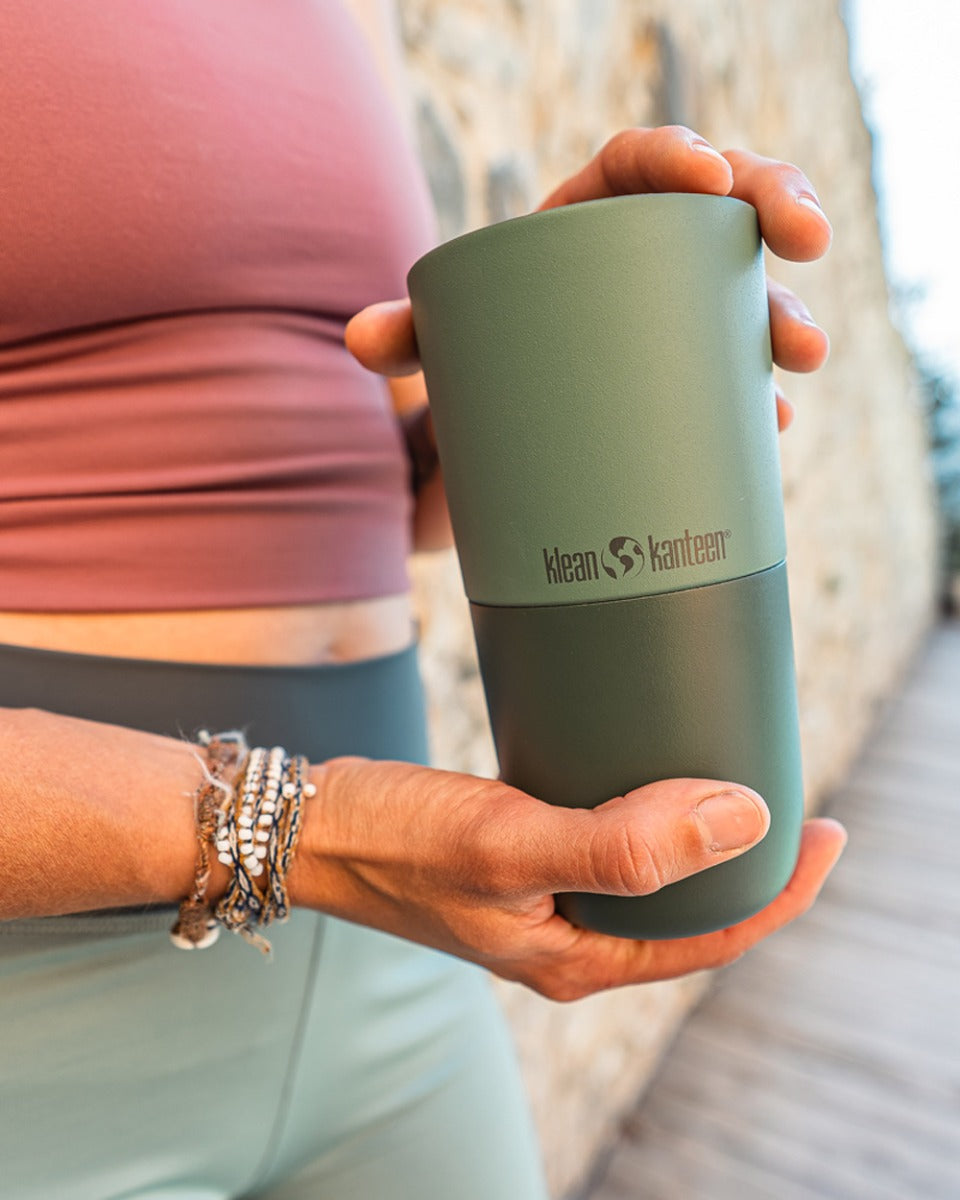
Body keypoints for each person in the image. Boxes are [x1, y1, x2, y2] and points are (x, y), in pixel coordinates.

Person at [0, 2, 846, 1197]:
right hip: (44, 991)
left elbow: (370, 487)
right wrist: (317, 831)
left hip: (394, 953)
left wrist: (556, 372)